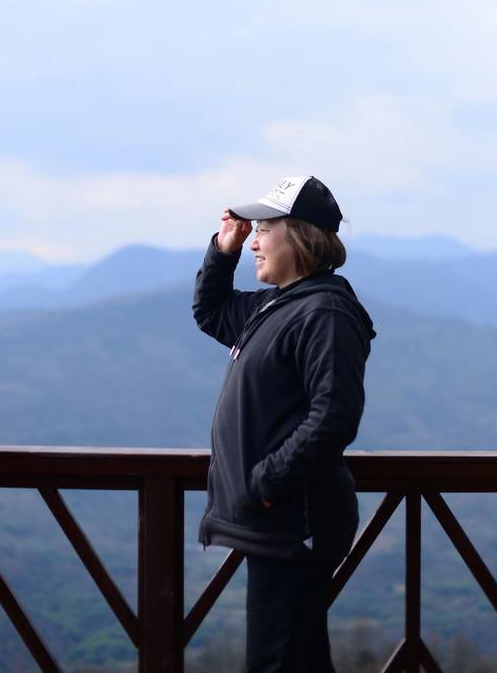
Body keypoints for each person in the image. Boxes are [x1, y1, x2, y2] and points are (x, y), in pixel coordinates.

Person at [192, 175, 376, 673]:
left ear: (298, 237)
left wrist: (266, 484)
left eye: (263, 230)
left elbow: (333, 417)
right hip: (278, 520)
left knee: (276, 662)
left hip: (296, 521)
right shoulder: (276, 305)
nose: (254, 242)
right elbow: (210, 312)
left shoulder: (325, 313)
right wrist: (223, 249)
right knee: (298, 660)